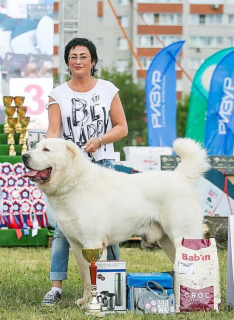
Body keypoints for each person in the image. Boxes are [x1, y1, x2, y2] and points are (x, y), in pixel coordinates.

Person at [41, 37, 128, 306]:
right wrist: (46, 151)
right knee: (63, 229)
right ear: (67, 63)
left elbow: (121, 127)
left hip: (102, 166)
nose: (78, 61)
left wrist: (100, 140)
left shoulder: (108, 89)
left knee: (110, 227)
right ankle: (56, 286)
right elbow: (54, 132)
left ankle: (114, 285)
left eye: (83, 56)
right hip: (70, 173)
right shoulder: (58, 94)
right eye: (73, 57)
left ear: (93, 61)